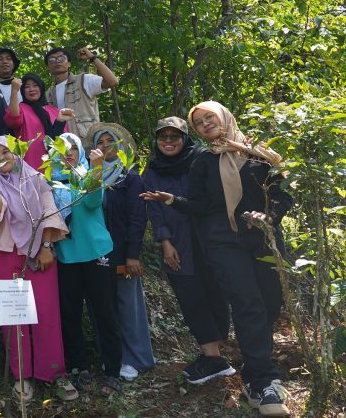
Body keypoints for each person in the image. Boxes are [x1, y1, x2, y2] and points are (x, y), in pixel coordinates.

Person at [142, 102, 293, 417]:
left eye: (208, 117)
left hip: (264, 239)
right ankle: (259, 381)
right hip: (224, 244)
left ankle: (260, 363)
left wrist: (268, 216)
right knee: (247, 303)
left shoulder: (258, 152)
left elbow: (285, 194)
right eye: (198, 122)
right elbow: (199, 205)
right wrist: (172, 200)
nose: (205, 124)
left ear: (224, 116)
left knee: (270, 303)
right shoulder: (204, 162)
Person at [141, 117, 233, 385]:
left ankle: (215, 355)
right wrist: (165, 242)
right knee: (191, 297)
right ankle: (212, 357)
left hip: (211, 240)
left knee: (216, 294)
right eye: (163, 137)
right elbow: (155, 210)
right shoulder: (154, 170)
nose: (168, 142)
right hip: (178, 243)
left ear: (185, 138)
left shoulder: (201, 159)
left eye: (174, 136)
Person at [0, 136, 77, 402]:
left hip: (40, 252)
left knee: (47, 313)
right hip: (5, 252)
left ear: (18, 152)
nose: (1, 158)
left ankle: (55, 373)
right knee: (14, 315)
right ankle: (21, 375)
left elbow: (49, 211)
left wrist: (47, 245)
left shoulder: (35, 178)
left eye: (6, 152)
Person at [51, 133, 124, 396]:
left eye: (72, 148)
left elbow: (93, 202)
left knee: (105, 312)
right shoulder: (50, 180)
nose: (67, 153)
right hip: (66, 255)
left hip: (96, 253)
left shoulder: (87, 174)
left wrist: (95, 169)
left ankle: (113, 371)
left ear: (80, 151)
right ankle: (79, 367)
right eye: (61, 149)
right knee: (70, 315)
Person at [87, 123, 155, 381]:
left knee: (127, 305)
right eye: (100, 143)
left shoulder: (130, 177)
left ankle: (134, 358)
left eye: (110, 141)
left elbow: (137, 218)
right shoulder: (88, 177)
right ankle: (112, 358)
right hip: (95, 253)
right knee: (103, 307)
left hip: (122, 251)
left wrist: (132, 255)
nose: (105, 146)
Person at [43, 46, 119, 137]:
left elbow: (112, 81)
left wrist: (92, 57)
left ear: (69, 63)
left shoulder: (83, 80)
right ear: (47, 67)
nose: (57, 61)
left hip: (87, 143)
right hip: (63, 145)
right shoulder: (48, 95)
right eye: (52, 60)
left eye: (62, 58)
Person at [4, 75, 73, 172]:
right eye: (27, 87)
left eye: (35, 85)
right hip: (31, 164)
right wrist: (14, 91)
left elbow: (64, 138)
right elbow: (13, 119)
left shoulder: (54, 111)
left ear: (41, 87)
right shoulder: (21, 109)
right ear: (23, 90)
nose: (31, 89)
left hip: (56, 166)